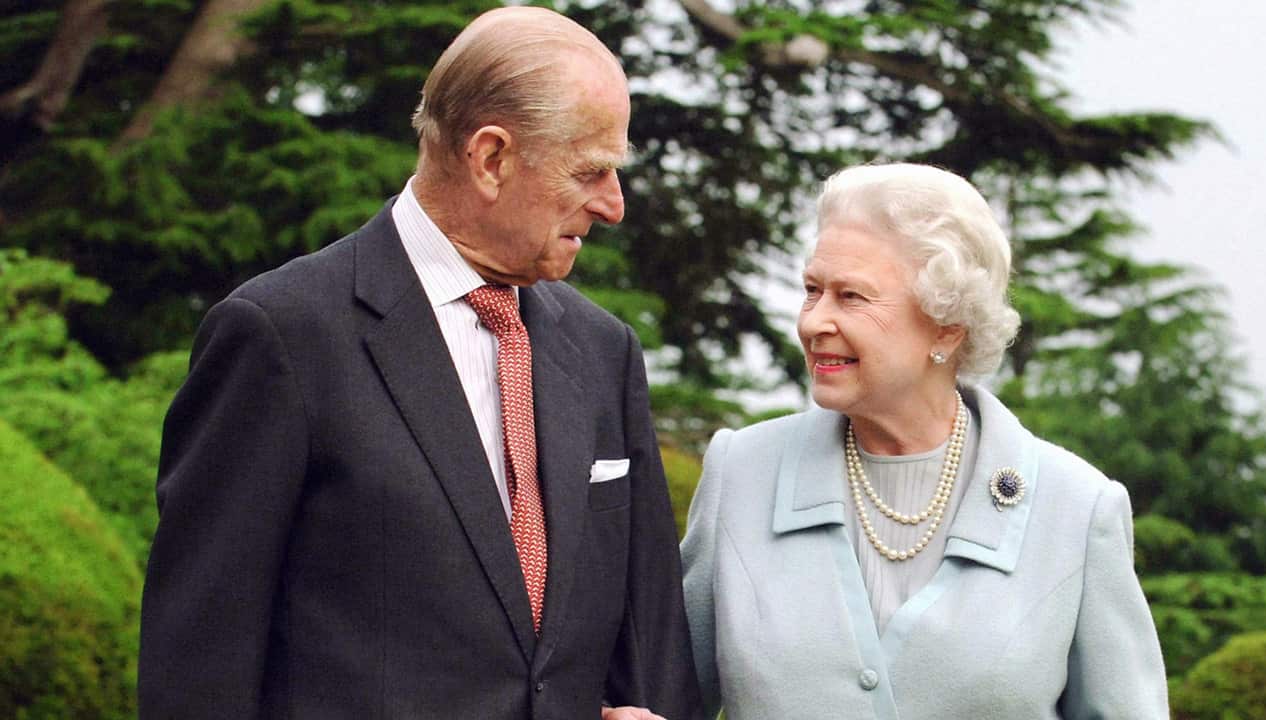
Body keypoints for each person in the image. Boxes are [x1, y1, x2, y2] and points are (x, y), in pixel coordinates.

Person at [138, 7, 700, 719]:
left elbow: (653, 648)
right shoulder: (281, 335)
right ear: (491, 158)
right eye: (591, 171)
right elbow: (197, 665)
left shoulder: (603, 349)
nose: (614, 206)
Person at [681, 163, 1167, 718]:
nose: (815, 321)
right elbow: (666, 698)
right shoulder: (741, 472)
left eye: (852, 297)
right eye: (812, 291)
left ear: (946, 325)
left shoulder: (1077, 509)